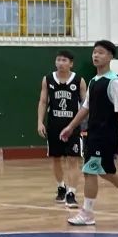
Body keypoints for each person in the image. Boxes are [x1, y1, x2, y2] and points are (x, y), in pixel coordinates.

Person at [59, 40, 118, 227]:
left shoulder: (114, 82)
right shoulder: (94, 81)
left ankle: (87, 213)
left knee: (89, 171)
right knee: (107, 173)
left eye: (101, 52)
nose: (96, 55)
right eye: (94, 52)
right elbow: (85, 108)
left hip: (105, 135)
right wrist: (71, 126)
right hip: (93, 133)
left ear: (110, 57)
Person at [37, 50, 86, 209]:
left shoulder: (79, 80)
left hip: (73, 127)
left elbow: (86, 104)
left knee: (73, 159)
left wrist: (87, 124)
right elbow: (43, 101)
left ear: (71, 63)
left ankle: (71, 193)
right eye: (58, 60)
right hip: (54, 125)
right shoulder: (48, 79)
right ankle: (61, 187)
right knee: (56, 158)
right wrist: (40, 122)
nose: (60, 63)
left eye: (64, 60)